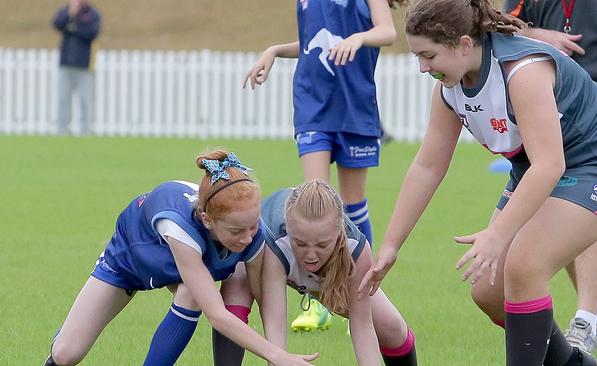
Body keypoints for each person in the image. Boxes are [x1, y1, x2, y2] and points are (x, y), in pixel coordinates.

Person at [358, 0, 597, 365]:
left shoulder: (522, 71)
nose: (422, 67)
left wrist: (498, 234)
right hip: (536, 167)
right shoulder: (449, 87)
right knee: (488, 291)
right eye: (417, 56)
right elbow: (428, 166)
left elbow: (549, 164)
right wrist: (391, 246)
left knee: (523, 266)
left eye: (428, 55)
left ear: (463, 44)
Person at [43, 150, 317, 366]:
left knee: (193, 293)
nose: (247, 238)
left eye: (252, 226)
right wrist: (279, 356)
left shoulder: (252, 233)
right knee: (67, 354)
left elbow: (266, 297)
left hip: (188, 263)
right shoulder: (180, 229)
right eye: (236, 231)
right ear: (208, 220)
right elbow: (217, 316)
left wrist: (278, 356)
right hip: (132, 256)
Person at [240, 0, 408, 335]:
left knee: (353, 205)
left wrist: (359, 38)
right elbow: (314, 41)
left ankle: (362, 294)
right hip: (312, 107)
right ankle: (319, 303)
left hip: (356, 108)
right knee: (316, 203)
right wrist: (273, 50)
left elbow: (387, 31)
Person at [502, 0, 597, 352]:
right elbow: (499, 27)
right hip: (554, 97)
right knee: (556, 207)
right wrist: (537, 35)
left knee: (593, 201)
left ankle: (585, 319)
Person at [261, 180, 417, 366]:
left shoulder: (356, 249)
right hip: (260, 261)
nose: (311, 255)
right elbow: (275, 334)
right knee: (236, 295)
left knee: (390, 327)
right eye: (301, 243)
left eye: (322, 245)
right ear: (289, 229)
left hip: (331, 271)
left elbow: (362, 325)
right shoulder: (275, 244)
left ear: (339, 232)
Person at [52, 0, 101, 136]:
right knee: (63, 98)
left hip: (84, 65)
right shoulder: (66, 10)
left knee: (85, 99)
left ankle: (85, 130)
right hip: (66, 63)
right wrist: (70, 15)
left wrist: (73, 28)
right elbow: (57, 24)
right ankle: (62, 130)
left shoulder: (92, 14)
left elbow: (92, 32)